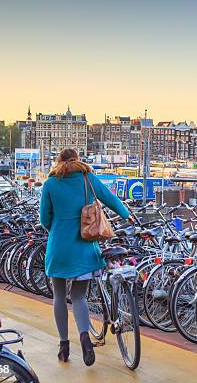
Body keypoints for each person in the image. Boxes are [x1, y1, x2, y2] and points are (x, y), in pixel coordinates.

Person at [40, 149, 130, 366]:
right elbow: (110, 199)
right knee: (79, 297)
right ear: (77, 160)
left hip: (59, 248)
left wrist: (58, 229)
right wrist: (127, 215)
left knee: (59, 296)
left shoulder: (50, 184)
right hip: (84, 248)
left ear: (58, 161)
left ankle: (64, 346)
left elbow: (45, 219)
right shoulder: (87, 178)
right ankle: (85, 339)